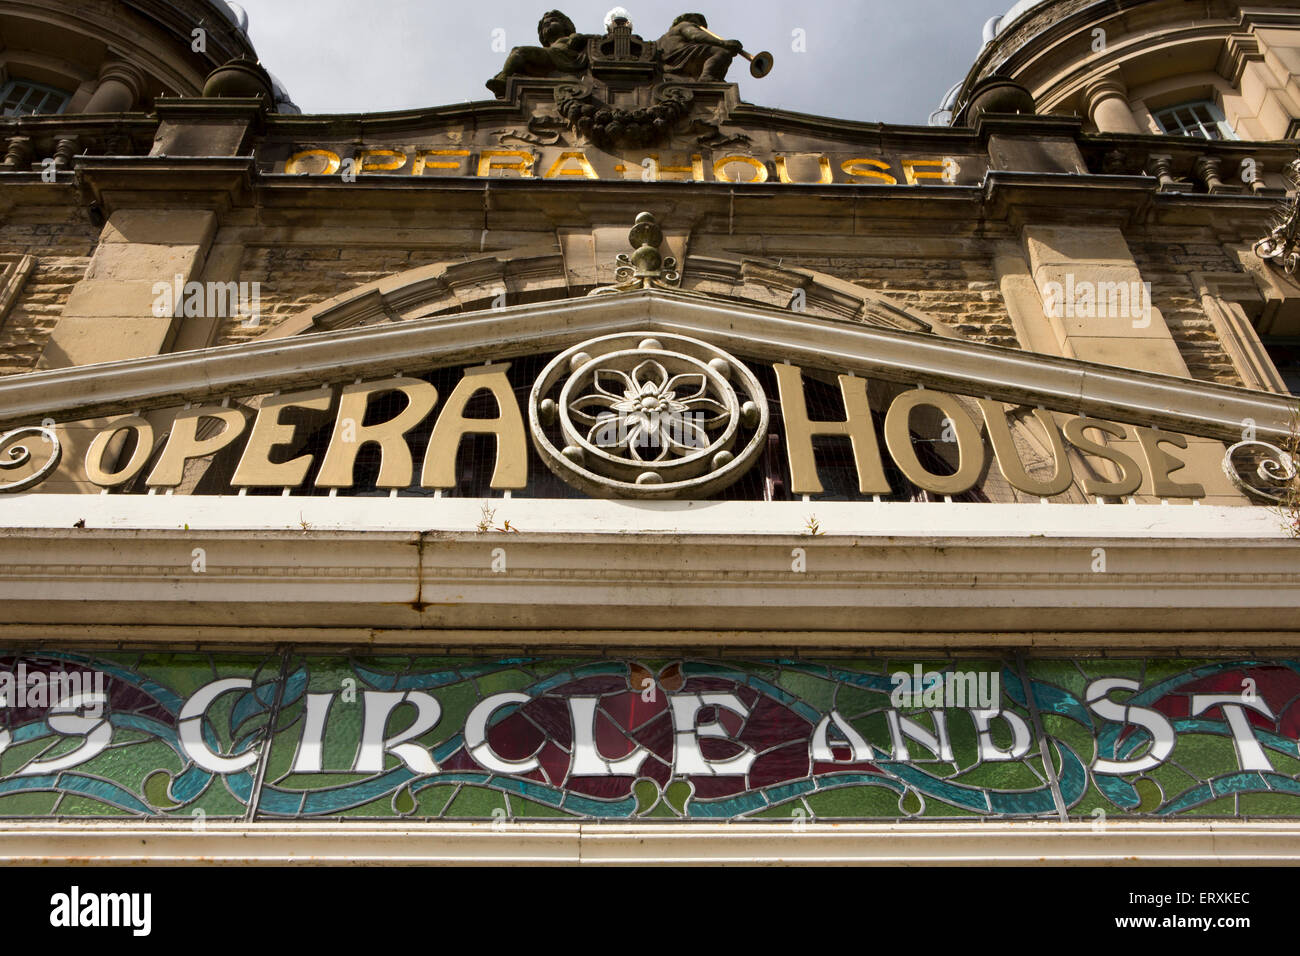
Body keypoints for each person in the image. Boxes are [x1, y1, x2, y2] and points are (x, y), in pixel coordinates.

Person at [486, 11, 591, 96]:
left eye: (553, 20)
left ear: (565, 26)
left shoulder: (569, 38)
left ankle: (503, 79)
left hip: (561, 57)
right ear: (543, 36)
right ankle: (504, 80)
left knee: (520, 51)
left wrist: (578, 37)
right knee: (517, 57)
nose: (548, 23)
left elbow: (599, 39)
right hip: (551, 55)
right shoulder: (544, 50)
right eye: (545, 24)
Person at [657, 13, 742, 82]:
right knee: (721, 52)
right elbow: (695, 35)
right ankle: (706, 76)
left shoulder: (662, 38)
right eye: (697, 23)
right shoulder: (684, 24)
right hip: (680, 53)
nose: (699, 26)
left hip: (671, 60)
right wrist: (723, 43)